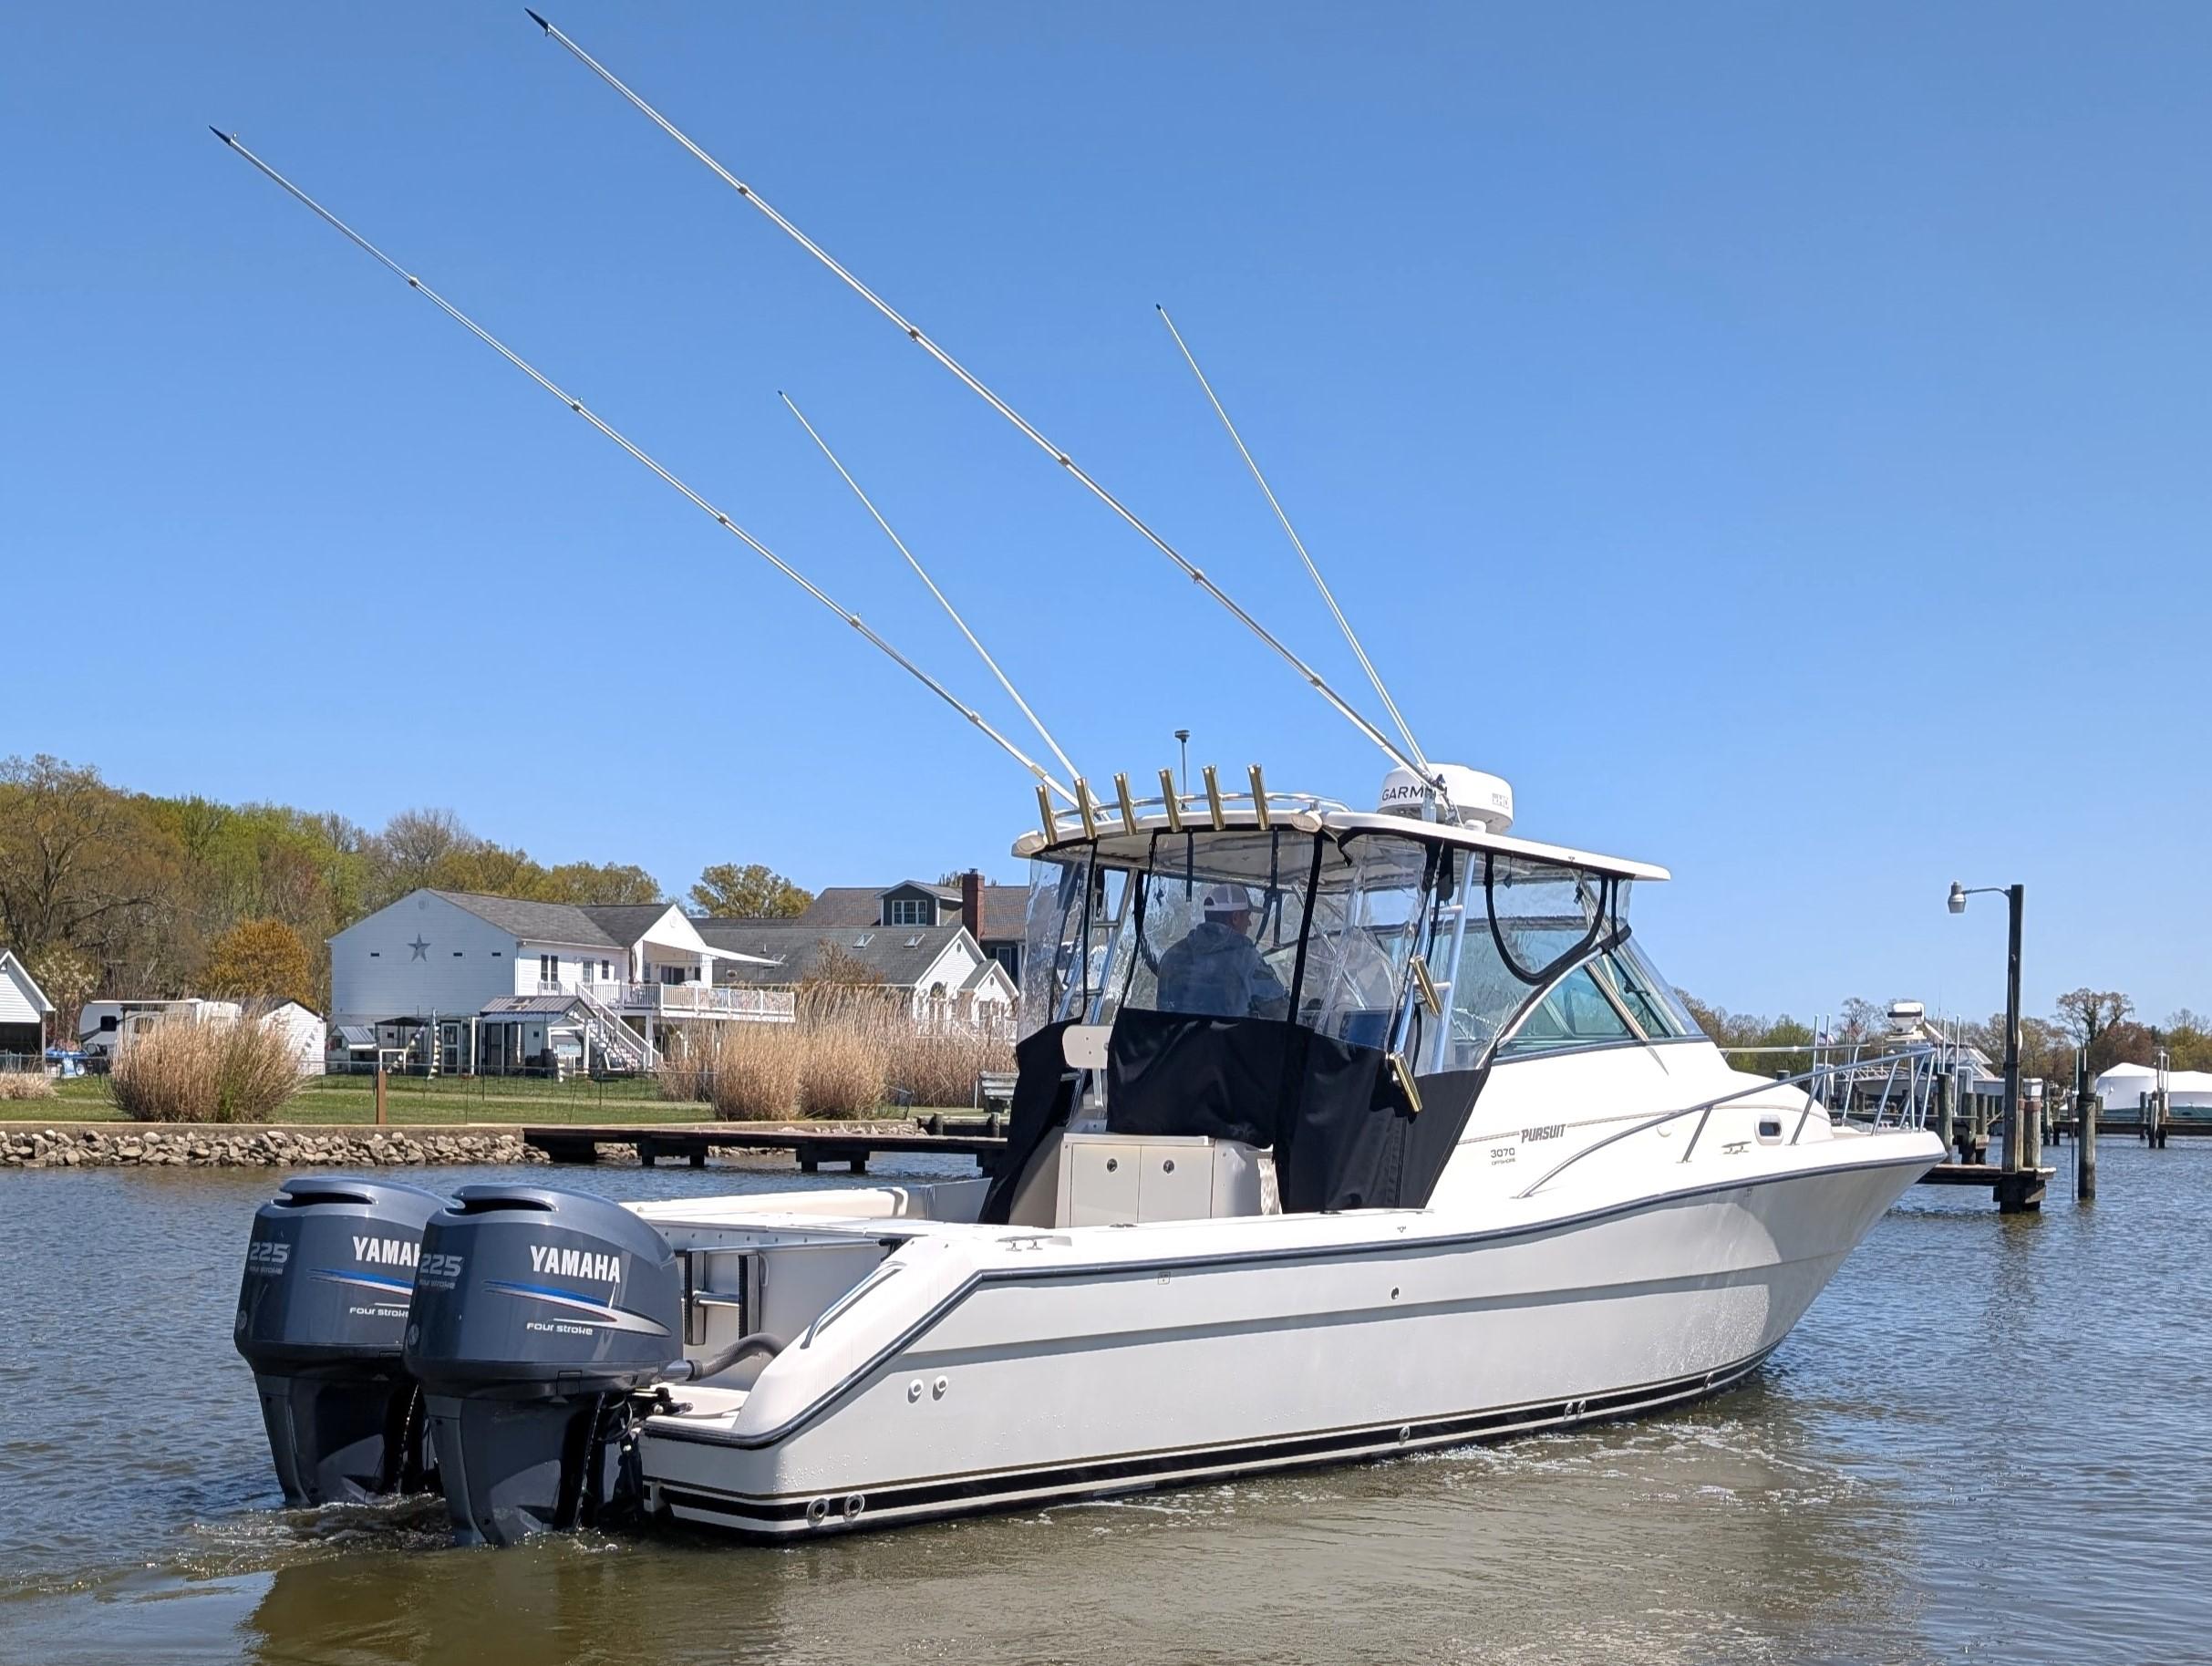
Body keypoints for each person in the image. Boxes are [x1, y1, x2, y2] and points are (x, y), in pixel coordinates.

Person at [1154, 884, 1290, 1021]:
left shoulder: (1171, 957)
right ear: (1235, 917)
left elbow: (1163, 1015)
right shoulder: (1247, 959)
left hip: (1179, 1043)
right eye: (1247, 915)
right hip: (1231, 1043)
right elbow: (1281, 1011)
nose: (1249, 923)